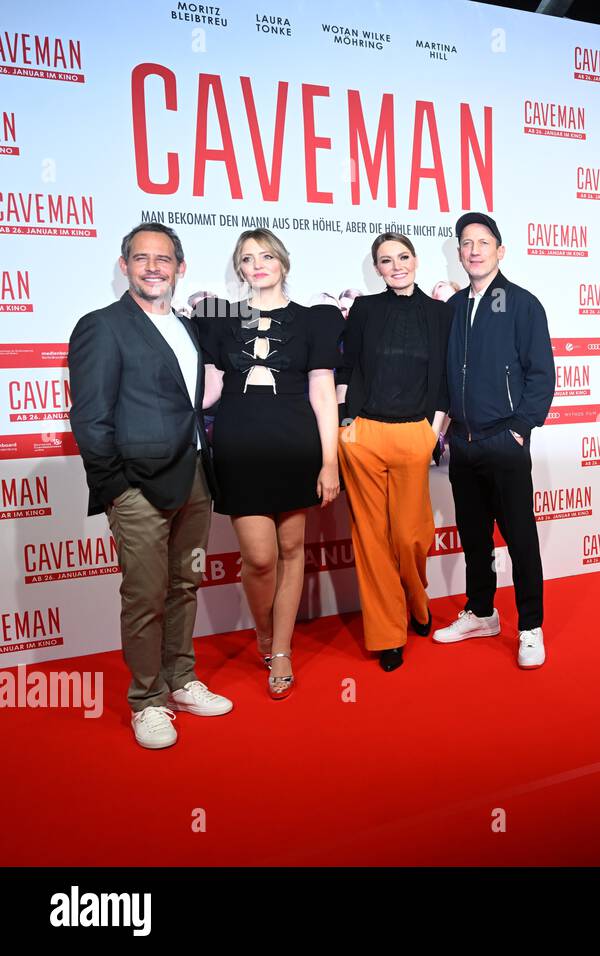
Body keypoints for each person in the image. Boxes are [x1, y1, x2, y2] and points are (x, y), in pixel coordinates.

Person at [68, 223, 231, 749]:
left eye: (164, 259)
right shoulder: (102, 326)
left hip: (194, 479)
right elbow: (91, 418)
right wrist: (114, 488)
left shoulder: (188, 328)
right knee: (145, 596)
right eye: (142, 258)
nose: (154, 267)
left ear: (180, 268)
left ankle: (180, 679)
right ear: (125, 266)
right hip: (136, 487)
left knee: (185, 586)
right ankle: (147, 700)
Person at [196, 229, 343, 699]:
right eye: (247, 258)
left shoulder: (314, 319)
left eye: (265, 256)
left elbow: (323, 393)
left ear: (282, 261)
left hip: (295, 443)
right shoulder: (219, 320)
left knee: (292, 548)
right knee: (259, 558)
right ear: (238, 269)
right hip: (240, 445)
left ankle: (280, 649)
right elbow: (212, 388)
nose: (257, 264)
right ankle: (264, 633)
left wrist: (329, 463)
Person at [435, 212, 556, 666]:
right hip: (463, 444)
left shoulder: (522, 304)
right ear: (459, 253)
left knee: (520, 537)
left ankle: (530, 626)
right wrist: (443, 432)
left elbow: (541, 376)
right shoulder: (452, 308)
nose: (474, 250)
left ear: (499, 251)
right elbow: (446, 378)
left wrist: (519, 430)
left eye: (483, 242)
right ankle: (482, 612)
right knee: (474, 537)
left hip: (504, 441)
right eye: (466, 243)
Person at [336, 232, 452, 671]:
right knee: (371, 540)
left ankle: (417, 601)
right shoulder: (365, 309)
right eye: (386, 260)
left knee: (409, 535)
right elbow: (347, 365)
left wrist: (432, 433)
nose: (396, 265)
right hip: (363, 434)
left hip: (414, 435)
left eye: (403, 257)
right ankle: (388, 634)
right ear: (377, 268)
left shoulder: (440, 314)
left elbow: (442, 379)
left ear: (416, 260)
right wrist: (347, 422)